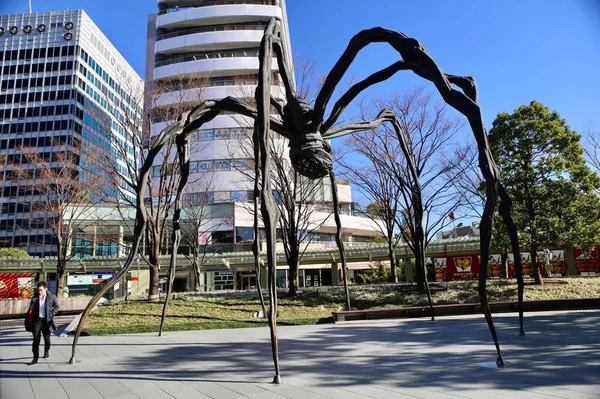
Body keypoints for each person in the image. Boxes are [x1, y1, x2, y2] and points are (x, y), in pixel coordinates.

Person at [26, 282, 59, 365]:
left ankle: (46, 350)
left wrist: (52, 314)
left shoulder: (51, 297)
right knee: (36, 340)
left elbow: (57, 306)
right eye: (38, 290)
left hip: (47, 321)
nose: (39, 292)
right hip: (37, 321)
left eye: (41, 290)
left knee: (47, 339)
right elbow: (31, 309)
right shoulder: (35, 298)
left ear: (45, 289)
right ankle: (35, 358)